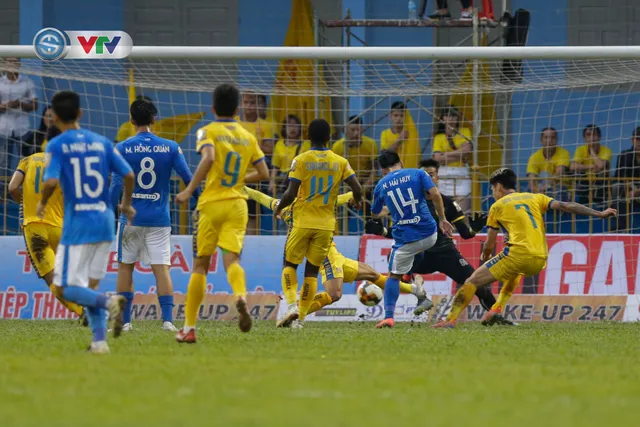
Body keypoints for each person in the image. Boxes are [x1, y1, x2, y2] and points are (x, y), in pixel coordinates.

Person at [433, 168, 617, 329]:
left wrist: (485, 257)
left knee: (472, 281)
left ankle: (450, 320)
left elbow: (489, 243)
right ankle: (495, 309)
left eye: (492, 188)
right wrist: (598, 213)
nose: (492, 192)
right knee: (515, 271)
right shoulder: (536, 197)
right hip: (540, 259)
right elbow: (565, 205)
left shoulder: (497, 206)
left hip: (517, 255)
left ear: (498, 186)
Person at [36, 90, 136, 353]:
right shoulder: (102, 142)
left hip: (78, 223)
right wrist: (126, 204)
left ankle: (109, 301)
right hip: (105, 220)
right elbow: (128, 174)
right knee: (88, 285)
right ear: (81, 113)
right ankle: (100, 342)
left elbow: (50, 181)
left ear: (54, 117)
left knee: (66, 288)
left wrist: (43, 202)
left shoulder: (56, 145)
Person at [245, 186, 431, 319]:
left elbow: (261, 197)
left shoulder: (286, 206)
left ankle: (417, 292)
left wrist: (242, 189)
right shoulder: (320, 202)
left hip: (334, 254)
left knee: (372, 274)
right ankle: (298, 313)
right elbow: (344, 197)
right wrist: (358, 193)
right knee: (335, 294)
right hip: (324, 255)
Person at [174, 84, 269, 343]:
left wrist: (188, 190)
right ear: (238, 109)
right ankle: (240, 295)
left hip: (212, 204)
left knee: (200, 265)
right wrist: (239, 180)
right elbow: (264, 174)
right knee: (232, 259)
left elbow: (208, 158)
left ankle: (189, 328)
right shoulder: (247, 136)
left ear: (213, 108)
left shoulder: (208, 130)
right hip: (238, 204)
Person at [366, 158, 506, 322]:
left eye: (431, 174)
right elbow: (401, 232)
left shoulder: (447, 203)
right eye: (426, 174)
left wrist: (474, 228)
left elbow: (466, 234)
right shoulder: (408, 202)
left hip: (445, 253)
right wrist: (382, 230)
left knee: (476, 282)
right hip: (422, 255)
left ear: (437, 177)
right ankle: (418, 296)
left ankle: (497, 316)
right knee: (394, 259)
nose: (428, 178)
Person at [110, 98, 200, 333]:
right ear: (154, 119)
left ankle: (125, 322)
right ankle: (168, 321)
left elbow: (114, 187)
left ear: (131, 120)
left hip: (130, 219)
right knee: (162, 268)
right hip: (160, 219)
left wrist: (110, 213)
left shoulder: (122, 148)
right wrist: (199, 202)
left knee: (125, 267)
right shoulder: (170, 147)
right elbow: (188, 178)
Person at [275, 118, 363, 329]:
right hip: (326, 226)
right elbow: (357, 188)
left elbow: (291, 192)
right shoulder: (340, 162)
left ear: (307, 137)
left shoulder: (301, 159)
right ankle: (301, 320)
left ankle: (290, 306)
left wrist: (279, 207)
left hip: (303, 221)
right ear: (329, 137)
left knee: (289, 265)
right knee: (312, 271)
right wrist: (357, 201)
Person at [371, 150, 453, 328]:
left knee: (393, 276)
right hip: (430, 234)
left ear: (383, 170)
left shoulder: (381, 185)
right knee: (418, 249)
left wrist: (385, 212)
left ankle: (389, 317)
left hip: (406, 240)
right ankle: (415, 281)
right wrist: (443, 219)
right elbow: (436, 195)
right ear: (400, 162)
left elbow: (375, 213)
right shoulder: (418, 173)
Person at [8, 152, 83, 318]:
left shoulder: (26, 161)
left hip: (34, 228)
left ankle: (81, 311)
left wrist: (25, 203)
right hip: (59, 227)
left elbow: (12, 187)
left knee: (52, 278)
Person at [239, 93, 277, 235]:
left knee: (253, 214)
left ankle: (251, 243)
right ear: (241, 104)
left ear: (258, 105)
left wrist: (249, 146)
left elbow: (271, 149)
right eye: (246, 102)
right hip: (236, 175)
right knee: (235, 212)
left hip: (255, 177)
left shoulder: (266, 125)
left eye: (251, 103)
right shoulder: (235, 124)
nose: (248, 106)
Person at [0, 57, 38, 182]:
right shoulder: (0, 83)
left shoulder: (27, 83)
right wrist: (5, 106)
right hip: (3, 129)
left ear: (19, 64)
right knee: (3, 162)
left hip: (23, 129)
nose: (11, 64)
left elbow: (35, 105)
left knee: (25, 160)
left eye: (14, 62)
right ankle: (2, 193)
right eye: (8, 61)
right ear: (4, 64)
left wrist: (19, 104)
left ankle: (24, 190)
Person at [331, 115, 379, 214]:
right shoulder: (337, 147)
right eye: (352, 130)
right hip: (345, 184)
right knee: (339, 212)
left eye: (359, 130)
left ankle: (372, 227)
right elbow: (334, 171)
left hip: (366, 183)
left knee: (372, 211)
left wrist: (366, 186)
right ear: (346, 130)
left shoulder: (371, 144)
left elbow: (374, 168)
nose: (356, 133)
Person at [432, 107, 473, 212]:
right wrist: (459, 152)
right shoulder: (439, 137)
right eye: (448, 116)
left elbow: (467, 151)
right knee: (445, 210)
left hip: (461, 172)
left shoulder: (465, 131)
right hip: (444, 172)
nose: (451, 119)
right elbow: (437, 159)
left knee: (463, 211)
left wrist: (445, 154)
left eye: (453, 116)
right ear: (443, 118)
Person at [269, 114, 309, 197]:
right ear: (284, 128)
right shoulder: (279, 144)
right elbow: (275, 166)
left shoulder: (306, 145)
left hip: (300, 181)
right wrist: (272, 182)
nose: (292, 128)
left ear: (300, 128)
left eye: (295, 125)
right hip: (283, 182)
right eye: (289, 125)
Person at [570, 124, 611, 203]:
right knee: (578, 175)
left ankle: (599, 204)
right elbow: (572, 166)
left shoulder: (606, 150)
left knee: (601, 172)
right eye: (588, 135)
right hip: (585, 182)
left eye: (594, 135)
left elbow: (601, 165)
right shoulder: (580, 150)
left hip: (601, 182)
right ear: (585, 138)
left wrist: (592, 151)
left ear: (599, 137)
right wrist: (591, 166)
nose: (591, 138)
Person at [526, 127, 570, 200]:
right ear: (541, 140)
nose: (549, 140)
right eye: (546, 137)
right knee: (527, 190)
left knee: (546, 177)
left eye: (552, 138)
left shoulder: (564, 153)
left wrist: (547, 185)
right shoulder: (534, 157)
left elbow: (559, 173)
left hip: (560, 187)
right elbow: (531, 178)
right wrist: (535, 189)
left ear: (556, 140)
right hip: (540, 188)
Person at [612, 127, 640, 231]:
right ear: (632, 140)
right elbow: (619, 177)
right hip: (628, 192)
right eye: (637, 139)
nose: (639, 142)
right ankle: (621, 227)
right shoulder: (624, 155)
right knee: (616, 187)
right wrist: (630, 189)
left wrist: (637, 191)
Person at [380, 101, 421, 169]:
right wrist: (399, 139)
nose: (398, 118)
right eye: (396, 115)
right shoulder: (385, 133)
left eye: (402, 116)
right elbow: (385, 154)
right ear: (391, 116)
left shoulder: (411, 134)